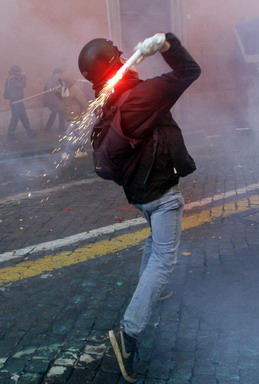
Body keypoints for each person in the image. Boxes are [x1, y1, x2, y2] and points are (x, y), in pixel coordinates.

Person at [78, 32, 200, 383]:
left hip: (140, 196)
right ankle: (128, 335)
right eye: (117, 52)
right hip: (161, 196)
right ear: (114, 63)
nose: (123, 52)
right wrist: (169, 44)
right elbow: (189, 71)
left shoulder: (107, 101)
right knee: (164, 257)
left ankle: (155, 292)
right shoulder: (142, 97)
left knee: (154, 242)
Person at [58, 71, 90, 157]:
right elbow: (64, 99)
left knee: (70, 134)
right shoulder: (64, 89)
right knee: (78, 134)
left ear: (68, 81)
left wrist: (86, 111)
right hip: (70, 115)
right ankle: (82, 151)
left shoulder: (75, 89)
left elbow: (83, 101)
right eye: (61, 82)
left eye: (64, 81)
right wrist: (56, 92)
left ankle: (67, 152)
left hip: (76, 115)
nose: (62, 83)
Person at [4, 65, 36, 140]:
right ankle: (10, 135)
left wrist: (21, 78)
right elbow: (22, 85)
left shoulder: (13, 78)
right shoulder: (12, 79)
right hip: (16, 101)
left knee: (24, 117)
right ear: (15, 72)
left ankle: (30, 132)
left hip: (19, 101)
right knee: (15, 119)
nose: (20, 73)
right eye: (18, 72)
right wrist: (24, 78)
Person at [43, 68, 66, 132]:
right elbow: (50, 90)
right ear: (56, 73)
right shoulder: (51, 80)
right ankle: (51, 128)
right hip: (53, 100)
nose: (60, 75)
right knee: (57, 113)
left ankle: (49, 128)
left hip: (57, 100)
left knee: (57, 113)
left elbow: (64, 91)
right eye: (59, 73)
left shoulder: (60, 80)